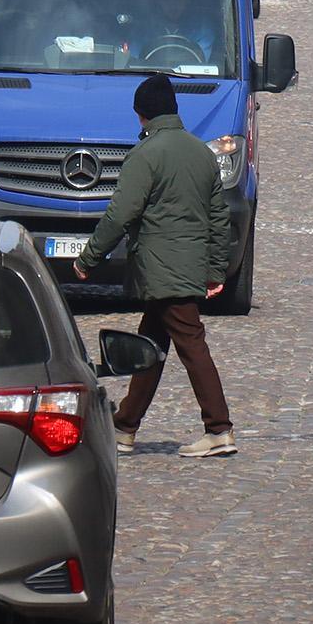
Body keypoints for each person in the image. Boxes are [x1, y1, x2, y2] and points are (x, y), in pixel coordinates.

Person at [77, 73, 239, 458]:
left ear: (141, 115)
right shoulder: (201, 152)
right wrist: (217, 270)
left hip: (161, 269)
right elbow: (219, 216)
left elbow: (120, 214)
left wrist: (88, 259)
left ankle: (219, 428)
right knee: (150, 345)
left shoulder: (146, 155)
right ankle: (125, 426)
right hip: (187, 266)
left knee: (191, 345)